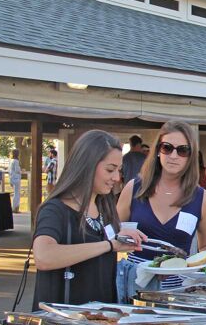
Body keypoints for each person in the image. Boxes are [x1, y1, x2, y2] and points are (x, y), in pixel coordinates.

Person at [31, 131, 145, 307]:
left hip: (101, 321)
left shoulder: (105, 206)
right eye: (110, 169)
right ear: (87, 165)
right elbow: (44, 257)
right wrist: (109, 245)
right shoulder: (55, 209)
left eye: (119, 170)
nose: (116, 178)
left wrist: (122, 237)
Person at [117, 121, 206, 297]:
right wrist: (122, 234)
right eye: (167, 148)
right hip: (135, 286)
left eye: (182, 150)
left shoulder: (202, 198)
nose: (174, 155)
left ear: (190, 156)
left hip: (179, 290)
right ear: (157, 151)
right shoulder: (134, 188)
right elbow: (111, 231)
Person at [9, 148, 22, 213]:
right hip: (16, 179)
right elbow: (17, 170)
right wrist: (21, 170)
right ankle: (15, 208)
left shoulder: (11, 161)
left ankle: (14, 207)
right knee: (17, 194)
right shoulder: (16, 161)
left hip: (12, 178)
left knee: (15, 193)